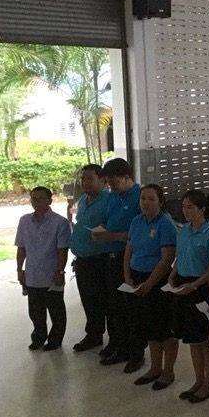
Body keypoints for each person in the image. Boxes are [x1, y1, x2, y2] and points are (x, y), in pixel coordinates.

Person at [124, 183, 178, 389]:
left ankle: (168, 371)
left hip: (157, 281)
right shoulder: (136, 221)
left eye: (151, 199)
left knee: (164, 328)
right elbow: (129, 250)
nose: (145, 203)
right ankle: (155, 367)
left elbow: (166, 259)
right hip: (137, 278)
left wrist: (150, 283)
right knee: (148, 325)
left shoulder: (165, 224)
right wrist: (127, 276)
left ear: (160, 202)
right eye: (142, 199)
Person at [169, 190, 209, 401]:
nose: (185, 211)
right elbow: (179, 257)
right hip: (183, 286)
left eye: (190, 207)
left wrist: (195, 285)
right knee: (192, 338)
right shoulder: (184, 231)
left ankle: (208, 383)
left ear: (202, 209)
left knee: (205, 339)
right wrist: (172, 275)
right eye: (184, 207)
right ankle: (198, 379)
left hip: (201, 288)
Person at [96, 158, 144, 370]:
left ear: (126, 177)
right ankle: (120, 347)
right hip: (112, 257)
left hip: (132, 260)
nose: (111, 187)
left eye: (114, 182)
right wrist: (101, 232)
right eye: (108, 183)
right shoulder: (112, 197)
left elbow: (140, 233)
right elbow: (108, 221)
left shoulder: (140, 196)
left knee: (132, 309)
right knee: (115, 307)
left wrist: (112, 236)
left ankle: (136, 353)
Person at [68, 165, 118, 354]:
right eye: (83, 179)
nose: (85, 183)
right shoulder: (82, 200)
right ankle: (94, 334)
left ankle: (115, 340)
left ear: (103, 181)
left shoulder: (109, 200)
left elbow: (113, 226)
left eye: (90, 179)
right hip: (83, 259)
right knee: (88, 299)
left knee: (107, 301)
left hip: (101, 258)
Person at [15, 186, 70, 351]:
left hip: (52, 273)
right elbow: (21, 248)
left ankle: (55, 340)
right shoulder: (24, 221)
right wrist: (19, 269)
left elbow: (62, 250)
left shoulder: (60, 222)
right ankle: (38, 337)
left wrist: (60, 271)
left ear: (50, 200)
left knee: (56, 310)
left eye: (41, 198)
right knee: (35, 311)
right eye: (34, 199)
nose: (37, 202)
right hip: (32, 274)